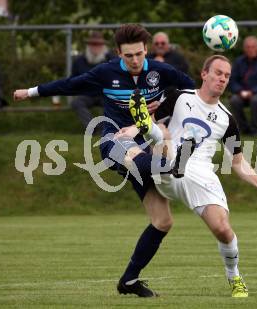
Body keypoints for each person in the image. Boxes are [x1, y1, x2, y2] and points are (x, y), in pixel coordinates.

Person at [13, 23, 195, 297]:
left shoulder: (162, 71)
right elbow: (70, 85)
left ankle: (129, 281)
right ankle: (175, 167)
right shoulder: (106, 72)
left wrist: (165, 104)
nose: (134, 60)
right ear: (119, 53)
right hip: (115, 142)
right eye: (128, 56)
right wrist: (32, 92)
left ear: (146, 50)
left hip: (144, 147)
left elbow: (191, 91)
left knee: (163, 221)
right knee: (136, 153)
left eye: (138, 54)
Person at [118, 55, 257, 297]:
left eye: (226, 75)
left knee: (223, 229)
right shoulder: (179, 97)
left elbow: (237, 161)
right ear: (204, 74)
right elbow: (158, 124)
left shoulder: (227, 119)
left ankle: (234, 276)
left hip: (201, 174)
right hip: (168, 162)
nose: (222, 78)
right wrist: (134, 128)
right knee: (162, 136)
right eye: (218, 72)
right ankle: (167, 155)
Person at [70, 31, 116, 133]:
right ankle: (93, 128)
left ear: (103, 46)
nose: (96, 47)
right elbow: (73, 79)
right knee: (76, 103)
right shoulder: (79, 61)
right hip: (87, 94)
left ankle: (105, 127)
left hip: (105, 94)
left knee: (114, 103)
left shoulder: (111, 59)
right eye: (93, 44)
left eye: (98, 44)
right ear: (88, 45)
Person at [229, 36, 257, 136]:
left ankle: (254, 130)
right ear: (244, 49)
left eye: (253, 47)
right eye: (248, 47)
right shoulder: (238, 62)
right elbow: (232, 81)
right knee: (234, 100)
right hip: (241, 93)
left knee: (255, 100)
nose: (250, 49)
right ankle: (244, 128)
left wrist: (252, 92)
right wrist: (240, 91)